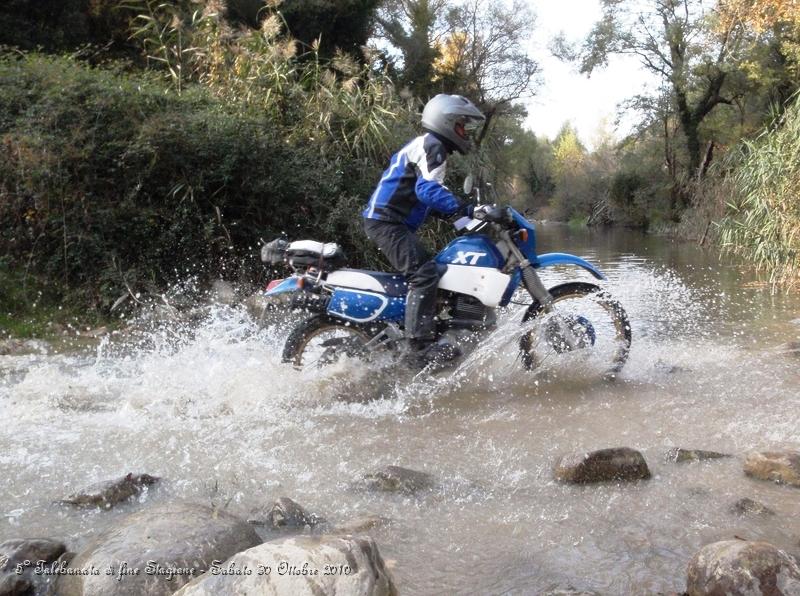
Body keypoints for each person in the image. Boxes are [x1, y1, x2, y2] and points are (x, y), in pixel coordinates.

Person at [362, 94, 485, 367]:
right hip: (386, 224)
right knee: (425, 273)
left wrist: (465, 223)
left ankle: (425, 328)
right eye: (462, 126)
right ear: (448, 122)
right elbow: (427, 190)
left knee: (438, 269)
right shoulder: (434, 146)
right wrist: (465, 209)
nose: (465, 133)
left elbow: (428, 199)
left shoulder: (429, 145)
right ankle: (418, 348)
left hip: (389, 222)